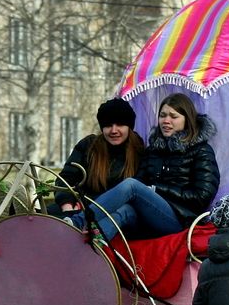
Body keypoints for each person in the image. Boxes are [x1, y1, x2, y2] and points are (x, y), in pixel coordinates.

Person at [65, 93, 220, 242]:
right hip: (151, 215)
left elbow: (202, 196)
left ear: (187, 120)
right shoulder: (154, 150)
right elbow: (141, 180)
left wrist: (156, 189)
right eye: (162, 115)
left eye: (173, 116)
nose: (166, 120)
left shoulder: (202, 151)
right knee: (125, 211)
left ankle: (77, 222)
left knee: (131, 185)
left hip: (182, 219)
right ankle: (91, 244)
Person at [52, 98, 143, 218]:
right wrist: (67, 205)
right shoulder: (89, 146)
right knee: (44, 216)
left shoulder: (139, 152)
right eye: (108, 125)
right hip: (78, 208)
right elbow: (65, 179)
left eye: (120, 124)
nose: (114, 130)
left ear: (129, 127)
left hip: (116, 214)